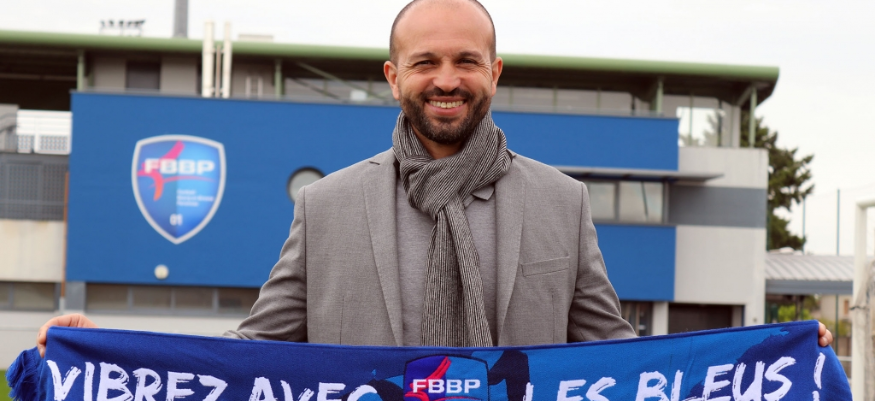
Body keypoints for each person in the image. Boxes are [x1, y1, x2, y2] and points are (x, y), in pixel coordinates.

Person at [37, 0, 834, 353]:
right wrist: (113, 347)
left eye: (464, 60)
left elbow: (617, 358)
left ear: (494, 71)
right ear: (394, 76)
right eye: (425, 62)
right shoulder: (326, 206)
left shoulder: (560, 202)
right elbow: (252, 351)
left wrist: (765, 352)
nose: (445, 79)